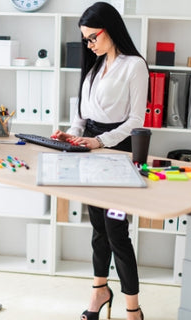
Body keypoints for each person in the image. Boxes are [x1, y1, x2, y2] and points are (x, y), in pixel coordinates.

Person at [51, 2, 149, 320]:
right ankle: (99, 292)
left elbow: (136, 121)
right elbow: (83, 116)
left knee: (116, 230)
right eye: (86, 40)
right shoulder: (95, 67)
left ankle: (133, 310)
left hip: (117, 155)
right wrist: (70, 135)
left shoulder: (134, 66)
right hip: (91, 155)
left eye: (92, 37)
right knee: (98, 229)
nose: (89, 45)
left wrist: (99, 141)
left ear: (109, 29)